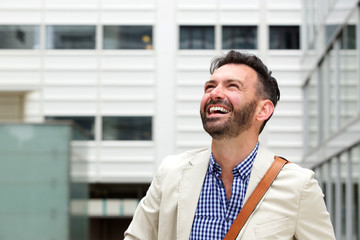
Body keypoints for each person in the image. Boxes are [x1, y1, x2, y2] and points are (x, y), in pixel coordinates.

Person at [124, 50, 335, 239]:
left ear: (262, 110)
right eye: (210, 86)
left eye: (232, 86)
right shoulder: (170, 172)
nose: (214, 93)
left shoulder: (299, 185)